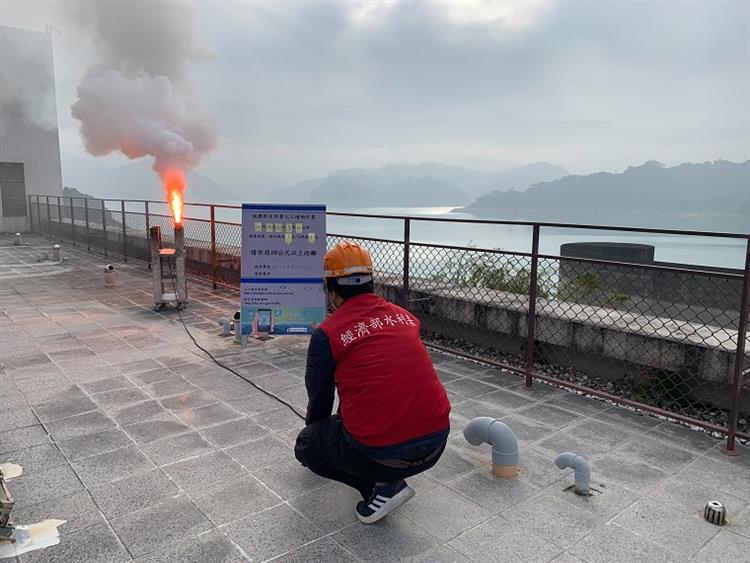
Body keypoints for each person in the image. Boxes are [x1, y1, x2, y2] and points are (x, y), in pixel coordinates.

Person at [295, 240, 451, 524]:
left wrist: (316, 434)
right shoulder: (405, 317)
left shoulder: (328, 334)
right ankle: (389, 475)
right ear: (371, 281)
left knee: (308, 446)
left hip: (383, 453)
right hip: (437, 443)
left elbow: (320, 398)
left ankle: (382, 489)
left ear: (331, 288)